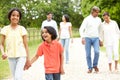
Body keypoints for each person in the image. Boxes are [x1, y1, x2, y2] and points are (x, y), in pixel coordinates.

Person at [0, 8, 30, 80]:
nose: (15, 17)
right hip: (10, 56)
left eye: (17, 16)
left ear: (19, 18)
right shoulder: (5, 29)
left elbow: (26, 45)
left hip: (21, 56)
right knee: (15, 77)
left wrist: (28, 59)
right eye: (13, 15)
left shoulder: (22, 29)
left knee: (17, 77)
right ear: (10, 17)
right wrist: (3, 53)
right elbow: (1, 44)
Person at [79, 6, 102, 73]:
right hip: (87, 38)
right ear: (93, 12)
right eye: (96, 12)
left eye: (98, 12)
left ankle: (95, 65)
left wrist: (100, 39)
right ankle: (90, 68)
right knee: (88, 54)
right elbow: (81, 29)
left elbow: (100, 30)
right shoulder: (87, 19)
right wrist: (82, 37)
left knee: (97, 52)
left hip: (96, 38)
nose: (97, 14)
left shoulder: (99, 19)